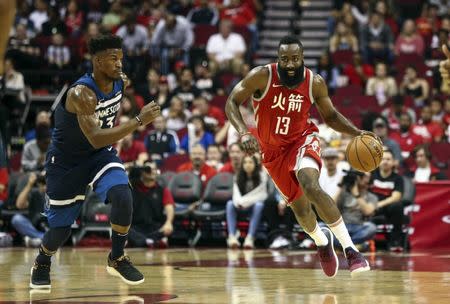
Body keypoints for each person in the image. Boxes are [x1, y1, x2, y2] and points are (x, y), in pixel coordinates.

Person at [225, 35, 377, 277]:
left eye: (295, 58)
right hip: (272, 152)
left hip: (302, 139)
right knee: (302, 212)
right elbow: (232, 101)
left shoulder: (314, 82)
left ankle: (351, 250)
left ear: (302, 58)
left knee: (310, 184)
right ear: (278, 58)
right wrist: (243, 133)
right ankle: (321, 241)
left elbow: (331, 116)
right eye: (284, 59)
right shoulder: (261, 76)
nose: (290, 64)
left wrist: (356, 131)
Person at [29, 35, 161, 289]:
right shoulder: (81, 94)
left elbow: (103, 135)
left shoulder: (120, 82)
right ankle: (43, 260)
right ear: (98, 61)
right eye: (114, 59)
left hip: (99, 156)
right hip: (67, 162)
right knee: (61, 230)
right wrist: (139, 121)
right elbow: (95, 137)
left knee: (123, 195)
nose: (120, 64)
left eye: (121, 58)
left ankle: (117, 257)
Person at [129, 161, 175, 248]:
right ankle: (150, 241)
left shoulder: (162, 190)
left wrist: (169, 222)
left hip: (155, 226)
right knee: (124, 230)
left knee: (167, 229)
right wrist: (130, 168)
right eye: (148, 169)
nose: (152, 171)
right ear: (142, 171)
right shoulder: (132, 188)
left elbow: (169, 207)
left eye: (154, 169)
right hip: (136, 227)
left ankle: (144, 241)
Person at [226, 155, 267, 249]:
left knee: (259, 205)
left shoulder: (262, 176)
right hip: (240, 207)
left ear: (255, 164)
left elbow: (261, 195)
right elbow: (235, 194)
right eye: (245, 162)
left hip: (252, 207)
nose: (247, 165)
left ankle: (250, 238)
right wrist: (239, 202)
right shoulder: (237, 176)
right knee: (230, 204)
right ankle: (232, 236)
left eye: (250, 162)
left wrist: (244, 202)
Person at [369, 149, 404, 252]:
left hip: (388, 209)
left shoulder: (398, 178)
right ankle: (362, 241)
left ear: (393, 162)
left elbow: (396, 197)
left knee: (398, 205)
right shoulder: (371, 175)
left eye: (388, 159)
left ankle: (395, 241)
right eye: (383, 159)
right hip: (371, 207)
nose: (385, 161)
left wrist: (379, 204)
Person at [335, 171, 377, 249]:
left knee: (372, 228)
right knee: (321, 227)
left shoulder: (372, 197)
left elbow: (367, 212)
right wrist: (340, 186)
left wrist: (356, 194)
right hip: (342, 227)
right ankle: (355, 246)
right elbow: (332, 207)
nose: (361, 178)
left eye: (365, 176)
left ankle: (342, 246)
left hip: (359, 227)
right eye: (360, 176)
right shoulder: (344, 193)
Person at [12, 172, 47, 247]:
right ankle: (43, 238)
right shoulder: (35, 193)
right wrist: (29, 184)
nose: (45, 186)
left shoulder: (57, 191)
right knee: (17, 219)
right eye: (42, 183)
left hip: (51, 226)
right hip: (35, 224)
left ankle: (39, 239)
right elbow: (19, 205)